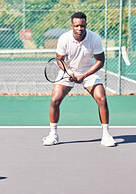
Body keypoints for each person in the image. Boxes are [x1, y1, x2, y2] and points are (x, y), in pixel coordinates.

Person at [43, 12, 116, 147]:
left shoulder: (94, 38)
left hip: (88, 71)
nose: (79, 29)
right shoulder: (64, 38)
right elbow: (60, 60)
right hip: (68, 71)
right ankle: (53, 134)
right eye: (76, 26)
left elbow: (100, 61)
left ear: (86, 25)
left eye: (82, 26)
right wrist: (69, 72)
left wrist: (84, 75)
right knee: (55, 100)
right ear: (72, 26)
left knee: (102, 99)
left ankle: (106, 135)